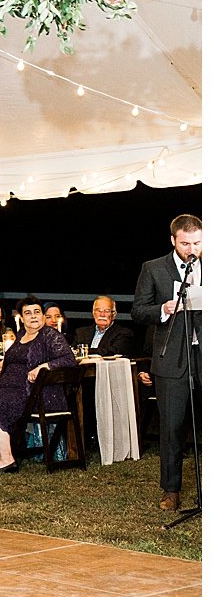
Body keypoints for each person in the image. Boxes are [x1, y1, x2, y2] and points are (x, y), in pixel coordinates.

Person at [0, 297, 76, 472]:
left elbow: (68, 359)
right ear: (22, 317)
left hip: (31, 392)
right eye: (28, 313)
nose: (33, 316)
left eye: (37, 312)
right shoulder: (21, 335)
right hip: (7, 387)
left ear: (43, 316)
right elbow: (15, 355)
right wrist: (3, 362)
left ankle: (7, 460)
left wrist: (43, 367)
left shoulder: (49, 335)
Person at [132, 213, 202, 512]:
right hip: (171, 360)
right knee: (172, 428)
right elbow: (138, 311)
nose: (193, 249)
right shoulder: (154, 268)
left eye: (198, 242)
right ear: (174, 241)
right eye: (186, 243)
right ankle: (171, 490)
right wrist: (162, 309)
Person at [72, 295, 136, 356]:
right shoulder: (81, 333)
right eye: (98, 310)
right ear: (93, 313)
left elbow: (112, 351)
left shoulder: (124, 333)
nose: (102, 314)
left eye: (107, 311)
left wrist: (84, 351)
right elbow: (72, 352)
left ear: (114, 315)